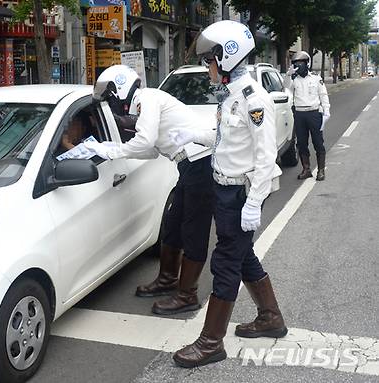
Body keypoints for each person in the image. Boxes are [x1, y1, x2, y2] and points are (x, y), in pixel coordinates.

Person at [167, 20, 288, 368]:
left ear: (228, 57)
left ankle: (210, 342)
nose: (208, 67)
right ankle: (271, 317)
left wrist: (254, 202)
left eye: (210, 60)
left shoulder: (254, 99)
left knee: (225, 262)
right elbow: (226, 140)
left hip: (240, 194)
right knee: (242, 255)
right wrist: (195, 137)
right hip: (224, 189)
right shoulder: (230, 94)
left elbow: (267, 156)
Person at [85, 65, 215, 316]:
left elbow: (144, 141)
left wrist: (109, 150)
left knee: (193, 231)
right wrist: (109, 148)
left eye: (110, 98)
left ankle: (187, 295)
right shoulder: (145, 103)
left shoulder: (147, 99)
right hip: (189, 166)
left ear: (120, 90)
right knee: (173, 225)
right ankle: (167, 280)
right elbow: (152, 150)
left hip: (201, 165)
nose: (111, 105)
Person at [284, 51, 331, 181]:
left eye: (301, 63)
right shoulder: (294, 80)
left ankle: (321, 170)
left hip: (314, 113)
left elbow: (323, 95)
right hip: (299, 114)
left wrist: (326, 111)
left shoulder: (316, 78)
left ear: (307, 63)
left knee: (318, 142)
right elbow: (286, 88)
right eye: (296, 63)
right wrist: (288, 75)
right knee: (302, 143)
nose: (299, 65)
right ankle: (306, 169)